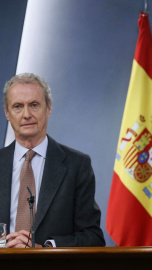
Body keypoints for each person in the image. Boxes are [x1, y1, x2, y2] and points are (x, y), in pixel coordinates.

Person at [0, 73, 105, 248]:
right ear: (7, 113)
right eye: (18, 106)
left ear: (48, 109)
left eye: (34, 105)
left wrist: (47, 249)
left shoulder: (77, 165)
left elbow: (93, 237)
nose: (26, 114)